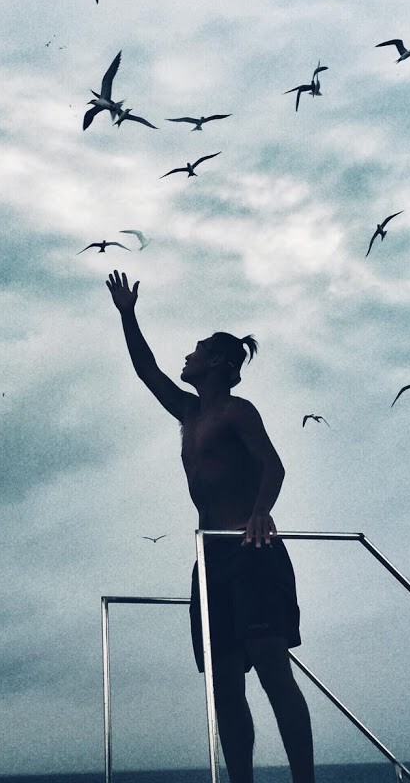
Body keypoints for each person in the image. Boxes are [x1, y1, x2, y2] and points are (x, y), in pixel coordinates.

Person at [105, 269, 314, 783]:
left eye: (196, 351)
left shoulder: (237, 412)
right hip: (211, 562)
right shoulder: (189, 411)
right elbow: (147, 370)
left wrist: (262, 511)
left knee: (271, 668)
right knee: (223, 685)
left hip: (252, 550)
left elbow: (274, 466)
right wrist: (128, 316)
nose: (187, 357)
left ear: (218, 362)